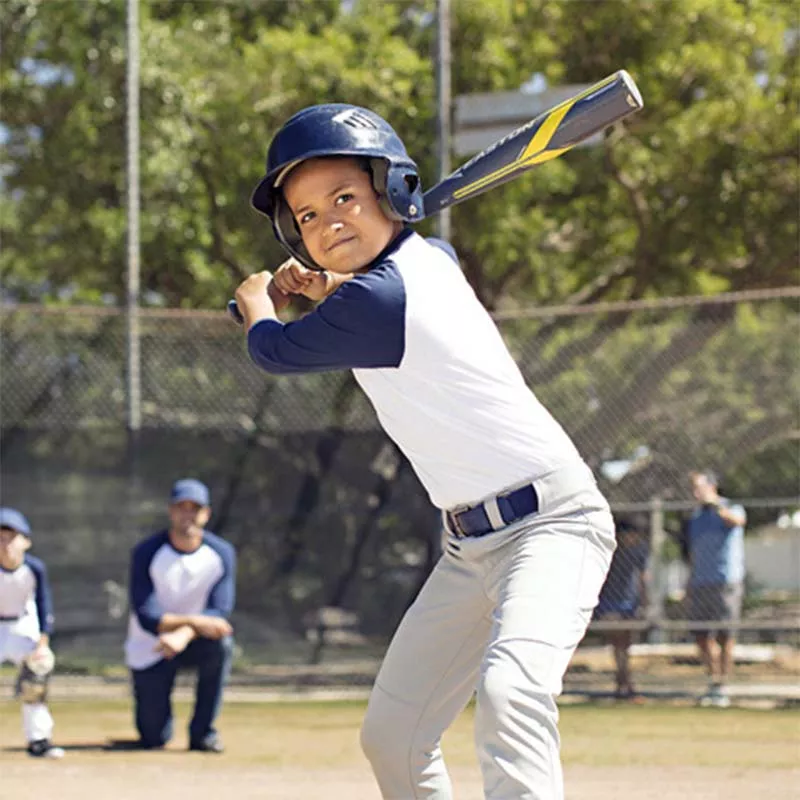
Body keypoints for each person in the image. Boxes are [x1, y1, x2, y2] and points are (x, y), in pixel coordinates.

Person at [233, 104, 616, 799]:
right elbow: (383, 292)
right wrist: (330, 285)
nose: (330, 223)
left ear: (393, 191)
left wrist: (259, 298)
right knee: (394, 735)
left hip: (553, 526)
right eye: (310, 217)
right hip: (467, 549)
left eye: (346, 197)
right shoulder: (427, 258)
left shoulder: (379, 300)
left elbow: (274, 350)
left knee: (511, 694)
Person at [124, 479, 236, 752]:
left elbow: (219, 610)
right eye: (181, 508)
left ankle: (203, 733)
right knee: (153, 738)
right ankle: (158, 726)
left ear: (206, 514)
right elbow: (147, 614)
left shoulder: (221, 553)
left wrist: (185, 634)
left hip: (196, 641)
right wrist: (192, 624)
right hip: (152, 643)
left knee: (222, 646)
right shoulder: (146, 552)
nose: (188, 515)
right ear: (170, 511)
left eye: (194, 509)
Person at [0, 507, 65, 759]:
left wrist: (43, 642)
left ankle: (38, 739)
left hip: (20, 628)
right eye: (1, 538)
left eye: (12, 538)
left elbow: (43, 604)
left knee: (38, 672)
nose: (6, 545)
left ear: (26, 541)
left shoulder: (34, 569)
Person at [684, 470, 746, 708]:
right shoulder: (695, 518)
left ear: (711, 486)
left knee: (725, 634)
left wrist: (717, 506)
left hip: (725, 581)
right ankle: (713, 682)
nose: (695, 493)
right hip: (701, 582)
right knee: (701, 635)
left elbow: (738, 522)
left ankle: (724, 685)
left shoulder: (731, 508)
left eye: (699, 487)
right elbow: (693, 553)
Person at [593, 518, 650, 701]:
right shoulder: (610, 550)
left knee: (625, 643)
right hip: (610, 601)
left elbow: (643, 578)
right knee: (616, 642)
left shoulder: (638, 552)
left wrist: (644, 601)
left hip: (629, 603)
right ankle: (623, 681)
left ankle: (625, 681)